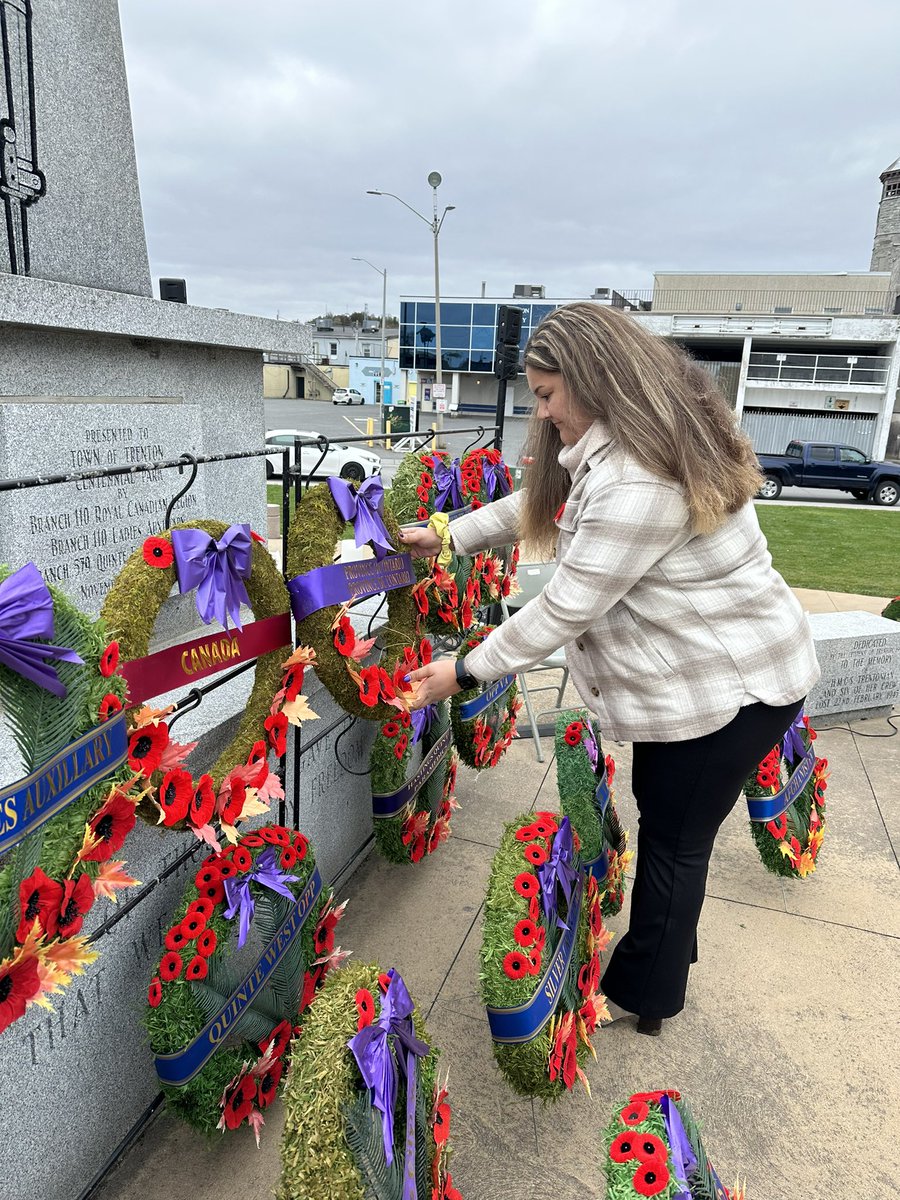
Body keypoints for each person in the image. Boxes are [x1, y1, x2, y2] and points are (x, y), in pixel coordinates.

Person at [399, 301, 820, 1034]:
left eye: (547, 395)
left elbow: (566, 608)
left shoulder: (638, 479)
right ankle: (666, 960)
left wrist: (461, 672)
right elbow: (536, 506)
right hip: (719, 680)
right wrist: (444, 536)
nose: (544, 411)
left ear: (592, 379)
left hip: (735, 690)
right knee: (671, 824)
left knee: (674, 840)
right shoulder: (625, 439)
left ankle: (643, 993)